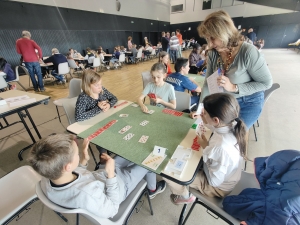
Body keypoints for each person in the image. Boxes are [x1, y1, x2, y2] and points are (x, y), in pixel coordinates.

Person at [28, 134, 166, 218]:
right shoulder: (86, 194)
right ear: (67, 166)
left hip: (101, 176)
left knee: (133, 152)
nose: (79, 154)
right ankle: (152, 190)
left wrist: (83, 161)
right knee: (150, 163)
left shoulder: (48, 177)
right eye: (76, 154)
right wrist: (111, 175)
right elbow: (112, 209)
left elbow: (77, 176)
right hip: (118, 187)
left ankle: (114, 168)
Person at [191, 10, 272, 129]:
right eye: (208, 39)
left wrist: (234, 87)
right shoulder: (214, 53)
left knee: (232, 137)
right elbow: (208, 83)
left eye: (213, 38)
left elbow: (266, 83)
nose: (210, 44)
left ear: (224, 32)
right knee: (218, 134)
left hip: (248, 103)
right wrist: (201, 108)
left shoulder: (248, 52)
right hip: (227, 102)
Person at [164, 93, 247, 204]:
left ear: (216, 120)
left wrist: (205, 150)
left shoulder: (220, 147)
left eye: (204, 113)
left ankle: (185, 197)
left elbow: (214, 181)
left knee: (168, 173)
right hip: (224, 173)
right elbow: (214, 126)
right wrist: (202, 118)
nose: (202, 114)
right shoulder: (231, 123)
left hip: (217, 187)